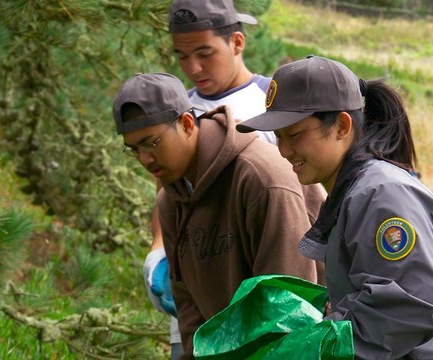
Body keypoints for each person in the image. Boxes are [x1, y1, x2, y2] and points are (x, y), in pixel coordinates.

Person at [236, 55, 433, 359]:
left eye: (294, 135)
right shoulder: (352, 191)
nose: (285, 151)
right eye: (278, 138)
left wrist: (322, 344)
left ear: (342, 126)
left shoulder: (380, 193)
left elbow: (419, 302)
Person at [113, 72, 322, 360]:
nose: (144, 159)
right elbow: (189, 314)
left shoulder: (260, 177)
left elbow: (288, 307)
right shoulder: (170, 202)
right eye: (133, 149)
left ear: (187, 124)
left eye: (151, 143)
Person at [143, 1, 305, 357]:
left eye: (204, 53)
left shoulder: (274, 106)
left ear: (236, 42)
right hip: (198, 308)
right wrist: (158, 254)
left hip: (266, 297)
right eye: (182, 56)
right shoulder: (175, 112)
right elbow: (167, 195)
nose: (193, 67)